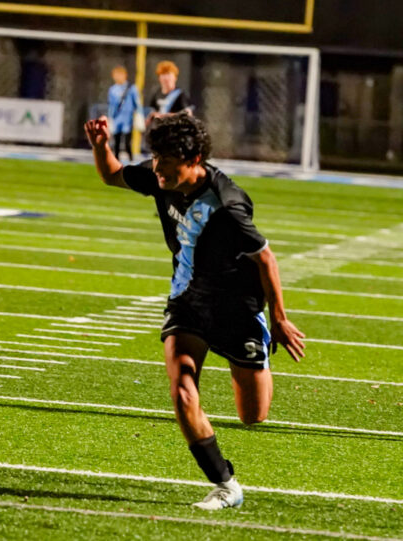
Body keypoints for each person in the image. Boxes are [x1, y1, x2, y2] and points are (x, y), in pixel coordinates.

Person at [83, 113, 306, 510]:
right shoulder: (160, 177)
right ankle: (225, 484)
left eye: (167, 161)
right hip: (187, 300)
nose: (158, 168)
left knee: (253, 415)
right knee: (183, 390)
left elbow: (265, 259)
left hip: (237, 308)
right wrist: (100, 145)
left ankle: (255, 354)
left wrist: (279, 319)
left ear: (195, 159)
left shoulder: (227, 204)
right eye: (156, 158)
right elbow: (112, 174)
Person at [106, 66, 141, 161]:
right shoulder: (112, 89)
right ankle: (116, 161)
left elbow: (137, 103)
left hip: (127, 119)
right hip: (116, 118)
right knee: (116, 142)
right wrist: (110, 118)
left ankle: (131, 160)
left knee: (127, 142)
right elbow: (110, 105)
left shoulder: (131, 88)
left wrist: (139, 115)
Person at [146, 61, 191, 125]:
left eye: (169, 74)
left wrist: (166, 116)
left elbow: (188, 114)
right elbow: (152, 112)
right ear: (159, 78)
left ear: (175, 77)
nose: (166, 78)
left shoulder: (180, 94)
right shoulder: (156, 94)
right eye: (163, 75)